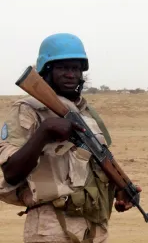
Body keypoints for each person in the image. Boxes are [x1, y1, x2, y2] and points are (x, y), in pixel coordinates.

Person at [0, 33, 137, 242]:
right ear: (46, 71)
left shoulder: (86, 113)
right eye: (63, 68)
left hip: (94, 226)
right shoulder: (27, 110)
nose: (71, 74)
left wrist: (120, 187)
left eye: (75, 68)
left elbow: (95, 164)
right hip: (51, 227)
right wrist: (44, 132)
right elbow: (11, 172)